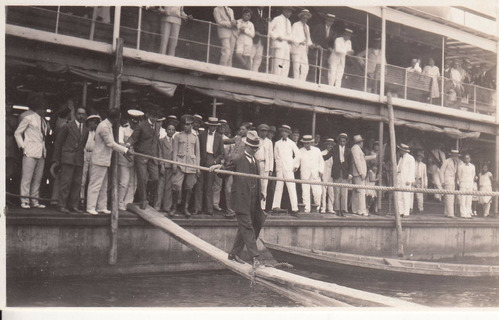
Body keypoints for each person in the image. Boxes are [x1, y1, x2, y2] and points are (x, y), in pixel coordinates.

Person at [209, 131, 265, 269]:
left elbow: (257, 181)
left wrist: (261, 194)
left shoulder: (256, 161)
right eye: (253, 148)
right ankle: (255, 258)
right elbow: (224, 173)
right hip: (241, 199)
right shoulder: (238, 158)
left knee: (254, 223)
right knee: (247, 227)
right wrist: (218, 167)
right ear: (247, 147)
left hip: (254, 199)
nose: (255, 150)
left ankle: (234, 253)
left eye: (256, 148)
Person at [86, 108, 130, 215]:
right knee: (95, 184)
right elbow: (110, 143)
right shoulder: (104, 126)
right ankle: (90, 207)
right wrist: (124, 150)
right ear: (115, 118)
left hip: (104, 160)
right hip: (98, 160)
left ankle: (101, 206)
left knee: (104, 185)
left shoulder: (107, 125)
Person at [14, 93, 50, 209]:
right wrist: (23, 146)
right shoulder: (28, 118)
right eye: (42, 108)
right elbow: (17, 133)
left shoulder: (44, 122)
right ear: (37, 107)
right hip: (29, 151)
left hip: (41, 152)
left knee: (37, 178)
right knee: (27, 178)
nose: (44, 110)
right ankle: (24, 201)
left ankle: (35, 201)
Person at [52, 107, 89, 214]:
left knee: (77, 183)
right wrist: (56, 160)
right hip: (68, 158)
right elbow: (59, 143)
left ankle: (73, 205)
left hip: (79, 159)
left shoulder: (86, 130)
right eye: (79, 114)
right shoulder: (67, 126)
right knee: (66, 183)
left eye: (83, 114)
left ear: (85, 116)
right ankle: (62, 204)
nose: (81, 116)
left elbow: (82, 145)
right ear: (75, 114)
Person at [127, 107, 161, 209]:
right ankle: (143, 200)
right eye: (153, 117)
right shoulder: (141, 125)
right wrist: (128, 144)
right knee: (142, 179)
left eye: (156, 117)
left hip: (152, 157)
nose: (155, 119)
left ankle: (146, 194)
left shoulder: (158, 126)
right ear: (149, 116)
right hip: (141, 156)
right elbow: (133, 137)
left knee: (155, 178)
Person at [195, 117, 225, 215]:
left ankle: (209, 209)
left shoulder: (219, 137)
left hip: (212, 160)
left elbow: (222, 153)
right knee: (199, 185)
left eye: (214, 126)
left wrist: (215, 161)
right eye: (211, 126)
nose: (213, 128)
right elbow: (197, 149)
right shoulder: (202, 135)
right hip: (201, 159)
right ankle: (197, 208)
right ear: (208, 125)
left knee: (209, 186)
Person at [172, 115, 200, 217]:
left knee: (189, 187)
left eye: (188, 125)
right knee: (176, 186)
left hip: (191, 165)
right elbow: (174, 151)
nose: (185, 126)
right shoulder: (178, 136)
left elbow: (197, 154)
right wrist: (174, 164)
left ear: (192, 125)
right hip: (180, 164)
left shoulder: (195, 138)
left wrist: (197, 168)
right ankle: (174, 207)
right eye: (184, 124)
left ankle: (185, 208)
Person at [272, 125, 300, 214]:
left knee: (291, 187)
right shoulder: (277, 143)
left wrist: (295, 165)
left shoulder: (292, 143)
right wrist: (278, 166)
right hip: (280, 168)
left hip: (289, 168)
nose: (284, 133)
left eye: (286, 132)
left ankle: (295, 208)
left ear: (288, 133)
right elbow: (275, 156)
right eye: (282, 131)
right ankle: (275, 206)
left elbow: (298, 155)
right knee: (278, 187)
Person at [118, 110, 143, 211]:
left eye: (137, 120)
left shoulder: (139, 131)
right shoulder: (123, 129)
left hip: (136, 160)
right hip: (124, 159)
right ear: (129, 120)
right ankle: (119, 202)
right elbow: (120, 143)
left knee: (134, 183)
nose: (135, 123)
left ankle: (128, 202)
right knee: (124, 182)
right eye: (133, 120)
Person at [323, 133, 352, 216]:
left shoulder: (348, 150)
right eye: (341, 141)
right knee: (337, 192)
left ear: (346, 142)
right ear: (339, 141)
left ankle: (343, 210)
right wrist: (317, 156)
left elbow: (350, 163)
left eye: (344, 141)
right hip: (336, 173)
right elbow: (327, 156)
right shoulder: (335, 149)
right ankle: (337, 210)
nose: (342, 143)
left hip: (345, 173)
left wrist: (350, 173)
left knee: (344, 193)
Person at [213, 120, 235, 217]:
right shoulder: (215, 138)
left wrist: (228, 162)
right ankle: (215, 204)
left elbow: (232, 153)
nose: (222, 129)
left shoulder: (228, 140)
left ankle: (229, 208)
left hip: (227, 166)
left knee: (228, 188)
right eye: (220, 127)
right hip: (218, 164)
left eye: (223, 127)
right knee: (217, 186)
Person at [299, 135, 324, 213]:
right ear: (303, 143)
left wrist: (321, 171)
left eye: (308, 143)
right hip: (305, 174)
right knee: (305, 193)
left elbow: (321, 161)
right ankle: (306, 209)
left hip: (315, 174)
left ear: (311, 143)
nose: (307, 145)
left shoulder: (317, 150)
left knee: (318, 192)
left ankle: (316, 209)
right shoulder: (300, 150)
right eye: (305, 143)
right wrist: (295, 167)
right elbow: (296, 161)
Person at [156, 121, 177, 215]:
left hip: (171, 167)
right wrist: (162, 165)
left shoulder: (175, 142)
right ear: (166, 130)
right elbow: (160, 153)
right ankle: (157, 205)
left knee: (169, 187)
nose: (171, 131)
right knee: (160, 186)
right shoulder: (161, 141)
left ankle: (167, 206)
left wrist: (174, 166)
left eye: (173, 130)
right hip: (163, 166)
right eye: (169, 129)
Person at [80, 115, 101, 207]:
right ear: (89, 122)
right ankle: (81, 199)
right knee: (82, 179)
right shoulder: (84, 131)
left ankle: (91, 201)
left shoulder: (98, 133)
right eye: (93, 122)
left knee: (92, 178)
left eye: (96, 122)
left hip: (94, 155)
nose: (95, 124)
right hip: (85, 154)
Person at [351, 135, 371, 216]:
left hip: (357, 173)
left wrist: (372, 157)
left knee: (356, 192)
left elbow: (362, 159)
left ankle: (355, 209)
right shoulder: (355, 148)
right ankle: (362, 210)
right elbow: (357, 161)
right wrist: (361, 173)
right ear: (360, 142)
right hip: (358, 174)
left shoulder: (357, 148)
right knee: (361, 192)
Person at [254, 124, 274, 211]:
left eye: (265, 131)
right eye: (262, 131)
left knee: (264, 186)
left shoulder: (269, 142)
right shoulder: (255, 140)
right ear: (259, 131)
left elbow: (271, 156)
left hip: (265, 165)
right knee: (255, 184)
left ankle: (262, 207)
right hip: (256, 163)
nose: (264, 133)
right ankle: (254, 205)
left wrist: (270, 169)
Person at [269, 7, 293, 77]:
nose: (289, 13)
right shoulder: (277, 19)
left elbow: (290, 33)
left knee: (286, 62)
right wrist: (276, 36)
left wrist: (290, 39)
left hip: (286, 44)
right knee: (278, 62)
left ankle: (283, 77)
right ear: (283, 10)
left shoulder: (289, 22)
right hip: (279, 43)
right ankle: (276, 77)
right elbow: (269, 29)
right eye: (288, 11)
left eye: (290, 12)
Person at [291, 9, 313, 81]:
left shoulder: (307, 27)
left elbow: (308, 38)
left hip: (304, 49)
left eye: (306, 18)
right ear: (301, 17)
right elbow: (292, 37)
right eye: (304, 18)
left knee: (305, 66)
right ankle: (296, 80)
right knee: (296, 66)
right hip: (297, 47)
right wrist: (299, 42)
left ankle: (302, 80)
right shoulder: (296, 25)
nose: (305, 19)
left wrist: (311, 44)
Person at [440, 150, 461, 218]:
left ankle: (446, 212)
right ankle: (451, 214)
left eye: (457, 156)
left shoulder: (456, 163)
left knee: (449, 197)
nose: (456, 157)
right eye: (455, 156)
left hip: (453, 181)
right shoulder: (447, 161)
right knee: (450, 197)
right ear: (452, 155)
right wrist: (442, 181)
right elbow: (441, 171)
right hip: (447, 180)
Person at [396, 144, 415, 217]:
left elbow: (412, 169)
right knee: (399, 195)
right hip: (400, 178)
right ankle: (401, 211)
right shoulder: (401, 158)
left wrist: (409, 180)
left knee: (406, 196)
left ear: (403, 150)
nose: (399, 151)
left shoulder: (410, 158)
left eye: (400, 150)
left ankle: (406, 212)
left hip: (406, 179)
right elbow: (398, 168)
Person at [457, 154, 476, 219]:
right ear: (464, 159)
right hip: (463, 183)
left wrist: (471, 183)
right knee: (463, 199)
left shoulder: (472, 166)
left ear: (470, 159)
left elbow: (473, 175)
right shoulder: (460, 166)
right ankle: (463, 214)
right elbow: (459, 176)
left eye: (468, 158)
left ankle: (468, 213)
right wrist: (461, 182)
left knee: (469, 199)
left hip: (470, 184)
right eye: (465, 158)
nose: (466, 159)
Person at [250, 7, 268, 72]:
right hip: (254, 37)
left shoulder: (266, 14)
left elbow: (266, 26)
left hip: (262, 39)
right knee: (251, 55)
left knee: (258, 57)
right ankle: (249, 71)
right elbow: (250, 23)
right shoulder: (252, 11)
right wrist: (254, 31)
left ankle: (255, 71)